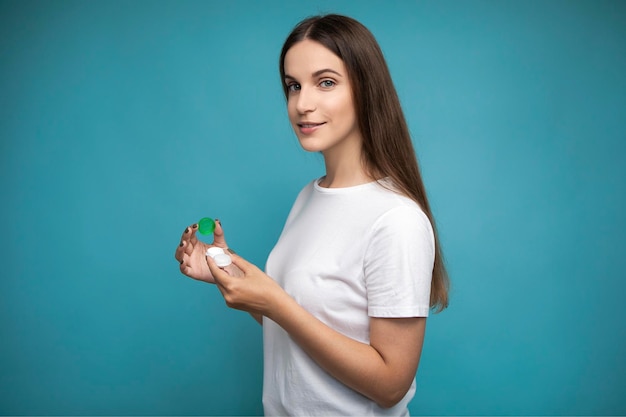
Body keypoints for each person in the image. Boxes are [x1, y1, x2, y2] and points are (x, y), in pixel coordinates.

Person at [174, 14, 449, 416]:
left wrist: (277, 303)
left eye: (326, 82)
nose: (303, 104)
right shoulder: (309, 197)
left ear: (365, 89)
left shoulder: (396, 219)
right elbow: (307, 323)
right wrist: (232, 277)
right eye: (293, 86)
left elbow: (392, 385)